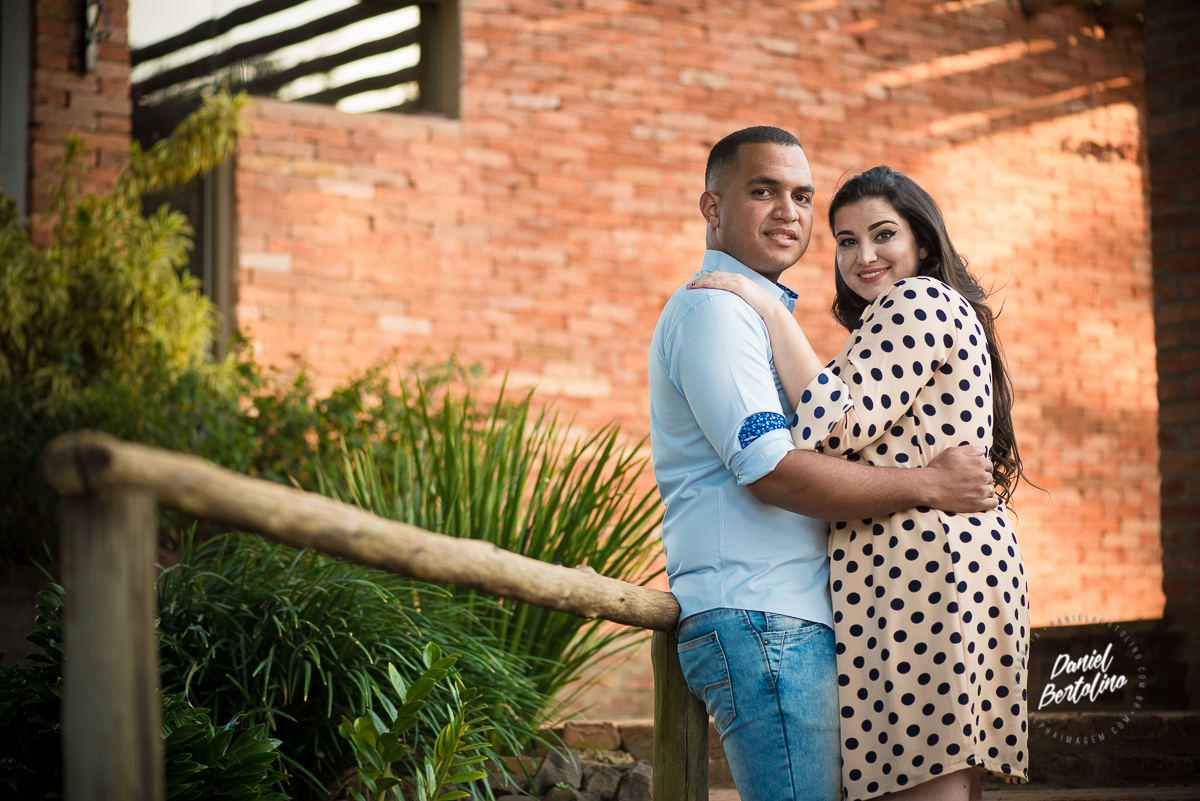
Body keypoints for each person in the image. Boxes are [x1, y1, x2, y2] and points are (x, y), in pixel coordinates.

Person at [648, 127, 998, 801]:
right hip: (762, 615)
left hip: (806, 619)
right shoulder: (716, 310)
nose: (789, 211)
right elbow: (773, 469)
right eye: (763, 191)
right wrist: (929, 484)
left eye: (802, 195)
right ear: (712, 208)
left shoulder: (771, 317)